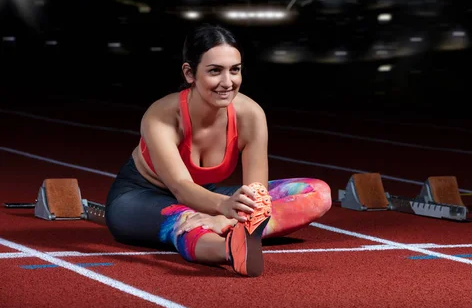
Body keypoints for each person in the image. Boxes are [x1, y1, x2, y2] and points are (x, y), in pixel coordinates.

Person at [105, 24, 332, 277]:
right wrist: (225, 208)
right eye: (215, 71)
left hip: (207, 198)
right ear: (190, 73)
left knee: (317, 193)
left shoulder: (252, 115)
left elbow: (257, 193)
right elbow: (181, 187)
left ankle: (234, 231)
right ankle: (230, 249)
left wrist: (228, 217)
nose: (227, 82)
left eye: (235, 70)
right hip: (139, 197)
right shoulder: (161, 116)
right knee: (185, 223)